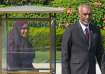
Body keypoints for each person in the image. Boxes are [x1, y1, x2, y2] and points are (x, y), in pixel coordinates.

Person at [62, 4, 104, 74]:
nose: (87, 17)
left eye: (89, 14)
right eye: (85, 14)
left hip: (91, 71)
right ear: (79, 14)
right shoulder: (70, 30)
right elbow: (65, 56)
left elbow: (100, 54)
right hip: (76, 71)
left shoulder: (96, 30)